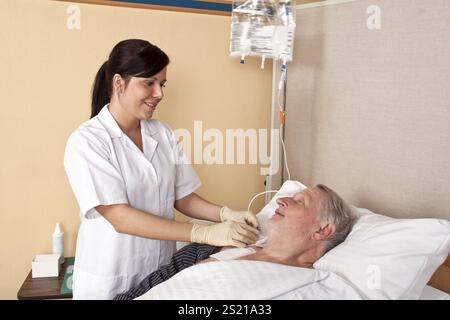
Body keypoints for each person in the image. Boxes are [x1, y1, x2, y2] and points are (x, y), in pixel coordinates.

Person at [63, 39, 259, 300]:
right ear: (119, 83)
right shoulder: (87, 141)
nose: (160, 93)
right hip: (110, 279)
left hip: (159, 276)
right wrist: (202, 232)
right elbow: (119, 216)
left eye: (162, 84)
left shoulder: (162, 133)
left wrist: (224, 214)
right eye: (149, 83)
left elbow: (183, 197)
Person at [114, 184, 357, 300]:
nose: (282, 200)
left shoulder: (310, 285)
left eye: (299, 201)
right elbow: (151, 286)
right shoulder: (218, 248)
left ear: (322, 230)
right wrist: (217, 222)